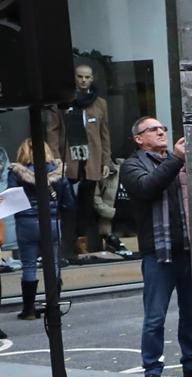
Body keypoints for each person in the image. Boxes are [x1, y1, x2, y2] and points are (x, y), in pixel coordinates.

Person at [120, 117, 192, 377]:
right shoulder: (132, 165)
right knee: (155, 317)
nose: (161, 131)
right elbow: (147, 187)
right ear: (139, 138)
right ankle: (152, 370)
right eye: (153, 129)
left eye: (163, 128)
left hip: (187, 249)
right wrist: (176, 159)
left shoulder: (178, 161)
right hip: (157, 254)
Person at [46, 64, 113, 255]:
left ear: (92, 79)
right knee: (66, 204)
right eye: (80, 76)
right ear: (74, 78)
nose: (83, 80)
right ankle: (65, 246)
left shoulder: (100, 103)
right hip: (68, 161)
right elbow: (52, 132)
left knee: (87, 205)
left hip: (91, 161)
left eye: (87, 77)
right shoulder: (61, 101)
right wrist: (56, 159)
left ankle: (84, 245)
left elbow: (104, 134)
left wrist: (106, 161)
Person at [8, 139, 75, 320]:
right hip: (52, 223)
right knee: (53, 265)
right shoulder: (58, 172)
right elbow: (69, 203)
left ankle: (28, 310)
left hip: (26, 224)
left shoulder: (15, 173)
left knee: (29, 266)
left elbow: (11, 198)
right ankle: (53, 307)